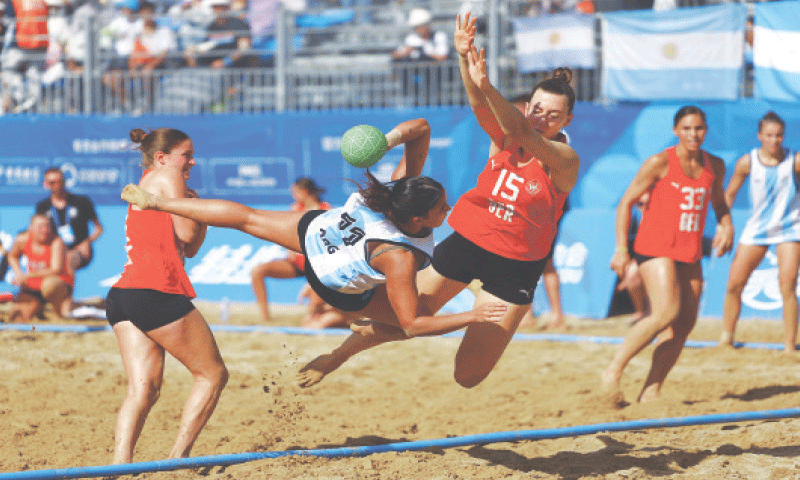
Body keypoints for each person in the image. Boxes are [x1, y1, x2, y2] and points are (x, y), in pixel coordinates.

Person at [294, 13, 581, 390]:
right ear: (529, 106)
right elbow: (481, 106)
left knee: (469, 376)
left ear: (568, 120)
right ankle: (338, 356)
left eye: (553, 115)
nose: (542, 118)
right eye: (537, 109)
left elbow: (522, 130)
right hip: (470, 242)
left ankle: (379, 330)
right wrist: (464, 59)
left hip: (518, 266)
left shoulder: (564, 160)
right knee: (410, 317)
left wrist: (487, 84)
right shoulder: (507, 139)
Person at [120, 117, 507, 349]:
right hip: (329, 280)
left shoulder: (394, 191)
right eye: (442, 208)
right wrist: (474, 316)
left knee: (247, 217)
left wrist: (383, 144)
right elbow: (413, 324)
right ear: (419, 220)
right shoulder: (400, 257)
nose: (449, 209)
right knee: (419, 321)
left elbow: (420, 128)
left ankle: (160, 204)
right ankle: (341, 348)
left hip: (317, 233)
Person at [105, 127, 228, 464]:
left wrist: (195, 208)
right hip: (155, 290)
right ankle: (179, 458)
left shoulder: (151, 181)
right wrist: (197, 207)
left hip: (123, 294)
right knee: (212, 374)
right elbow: (189, 232)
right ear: (162, 157)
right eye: (186, 154)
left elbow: (189, 248)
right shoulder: (169, 175)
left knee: (142, 390)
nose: (191, 161)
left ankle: (120, 465)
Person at [603, 105, 734, 405]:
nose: (693, 134)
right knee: (664, 313)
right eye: (686, 128)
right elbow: (626, 203)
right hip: (655, 247)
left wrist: (727, 225)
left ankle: (651, 390)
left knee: (684, 325)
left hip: (689, 250)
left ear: (706, 130)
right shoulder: (660, 161)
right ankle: (613, 371)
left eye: (699, 128)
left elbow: (719, 203)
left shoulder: (714, 165)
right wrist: (621, 249)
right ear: (676, 131)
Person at [718, 111, 800, 352]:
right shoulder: (747, 162)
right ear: (759, 136)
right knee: (734, 283)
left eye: (779, 135)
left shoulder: (794, 161)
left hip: (789, 229)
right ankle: (726, 338)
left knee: (787, 285)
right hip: (757, 229)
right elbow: (729, 194)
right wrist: (725, 225)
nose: (774, 141)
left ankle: (789, 345)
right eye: (769, 135)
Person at [250, 177, 331, 322]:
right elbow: (287, 235)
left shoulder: (326, 210)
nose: (293, 195)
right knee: (258, 271)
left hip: (318, 267)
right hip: (297, 263)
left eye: (294, 192)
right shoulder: (295, 208)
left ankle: (315, 313)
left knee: (311, 319)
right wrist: (290, 251)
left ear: (304, 192)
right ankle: (265, 318)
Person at [6, 214, 74, 321]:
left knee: (50, 285)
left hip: (57, 286)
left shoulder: (56, 242)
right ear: (31, 228)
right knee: (17, 318)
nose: (45, 230)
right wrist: (19, 273)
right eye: (40, 227)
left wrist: (27, 276)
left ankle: (58, 314)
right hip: (33, 287)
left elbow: (56, 270)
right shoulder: (22, 240)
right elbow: (12, 256)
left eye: (47, 226)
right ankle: (38, 309)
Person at [36, 167, 103, 273]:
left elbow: (99, 228)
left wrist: (87, 242)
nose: (57, 185)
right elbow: (37, 231)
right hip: (54, 250)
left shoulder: (81, 201)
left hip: (78, 250)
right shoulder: (42, 206)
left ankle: (67, 288)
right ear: (46, 184)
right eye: (53, 182)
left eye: (60, 181)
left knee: (68, 259)